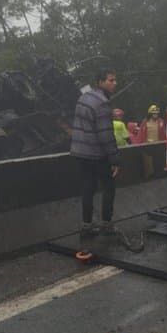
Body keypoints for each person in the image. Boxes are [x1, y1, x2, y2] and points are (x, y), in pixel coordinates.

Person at [70, 69, 121, 237]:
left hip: (79, 152)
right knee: (109, 187)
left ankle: (86, 226)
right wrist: (114, 158)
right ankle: (106, 224)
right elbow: (105, 134)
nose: (114, 83)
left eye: (115, 80)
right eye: (110, 80)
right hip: (97, 155)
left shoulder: (83, 97)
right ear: (100, 82)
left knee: (87, 189)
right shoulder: (102, 103)